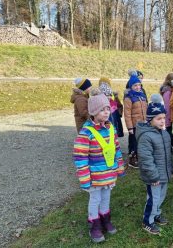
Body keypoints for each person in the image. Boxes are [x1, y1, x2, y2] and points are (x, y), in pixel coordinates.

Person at [73, 88, 125, 243]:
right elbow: (80, 158)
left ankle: (105, 220)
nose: (107, 112)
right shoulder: (86, 133)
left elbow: (116, 149)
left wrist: (120, 167)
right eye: (102, 109)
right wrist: (85, 179)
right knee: (95, 199)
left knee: (106, 198)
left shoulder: (111, 128)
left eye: (108, 108)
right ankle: (94, 225)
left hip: (108, 175)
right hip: (95, 177)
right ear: (93, 112)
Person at [136, 94, 173, 235]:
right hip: (154, 176)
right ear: (150, 119)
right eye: (159, 118)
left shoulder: (164, 134)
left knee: (161, 196)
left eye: (164, 118)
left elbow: (168, 153)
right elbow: (146, 159)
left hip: (164, 173)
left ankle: (156, 213)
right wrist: (153, 176)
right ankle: (147, 221)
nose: (162, 121)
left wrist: (172, 167)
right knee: (153, 198)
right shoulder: (146, 136)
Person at [124, 74, 148, 168]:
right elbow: (127, 114)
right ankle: (132, 160)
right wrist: (130, 127)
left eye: (139, 85)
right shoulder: (129, 98)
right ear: (131, 86)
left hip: (143, 124)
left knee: (141, 142)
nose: (138, 87)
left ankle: (139, 158)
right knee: (134, 143)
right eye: (135, 85)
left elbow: (146, 109)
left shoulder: (142, 96)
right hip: (134, 125)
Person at [160, 73, 173, 148]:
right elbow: (167, 105)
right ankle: (170, 145)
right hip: (169, 114)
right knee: (168, 130)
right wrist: (168, 116)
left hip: (171, 114)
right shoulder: (167, 91)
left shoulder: (171, 89)